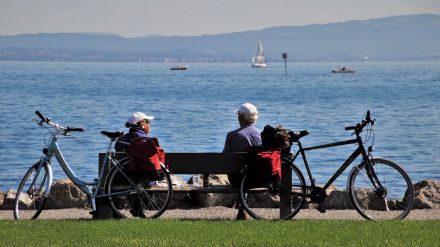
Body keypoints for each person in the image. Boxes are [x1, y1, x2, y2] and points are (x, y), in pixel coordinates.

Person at [223, 103, 262, 220]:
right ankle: (242, 209)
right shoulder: (262, 134)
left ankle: (242, 209)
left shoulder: (232, 135)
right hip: (259, 178)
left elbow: (223, 158)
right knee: (247, 170)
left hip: (237, 179)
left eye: (238, 115)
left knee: (239, 172)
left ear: (241, 118)